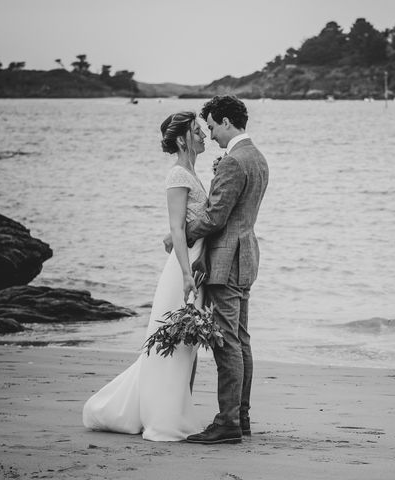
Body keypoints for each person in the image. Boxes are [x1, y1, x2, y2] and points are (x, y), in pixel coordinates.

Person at [82, 111, 209, 441]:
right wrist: (185, 274)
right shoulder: (177, 175)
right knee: (175, 341)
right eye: (197, 131)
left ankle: (179, 408)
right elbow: (177, 230)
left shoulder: (193, 172)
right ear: (182, 139)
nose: (204, 135)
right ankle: (164, 417)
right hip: (183, 270)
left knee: (187, 344)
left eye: (203, 130)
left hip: (196, 265)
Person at [184, 95, 269, 445]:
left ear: (226, 121)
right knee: (241, 339)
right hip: (245, 256)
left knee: (226, 341)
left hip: (227, 260)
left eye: (212, 126)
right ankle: (241, 417)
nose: (211, 134)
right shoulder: (258, 157)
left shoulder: (234, 161)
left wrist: (180, 234)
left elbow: (217, 215)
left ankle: (228, 421)